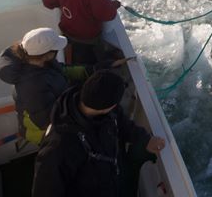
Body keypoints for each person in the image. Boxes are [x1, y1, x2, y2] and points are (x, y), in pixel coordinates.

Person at [32, 71, 166, 197]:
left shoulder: (104, 109)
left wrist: (145, 139)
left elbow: (122, 123)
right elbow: (45, 191)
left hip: (111, 181)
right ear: (108, 106)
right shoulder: (58, 147)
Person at [0, 27, 91, 145]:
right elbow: (48, 121)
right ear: (47, 54)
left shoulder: (40, 62)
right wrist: (84, 106)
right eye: (55, 49)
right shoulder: (33, 86)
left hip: (54, 113)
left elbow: (61, 70)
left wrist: (90, 71)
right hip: (43, 132)